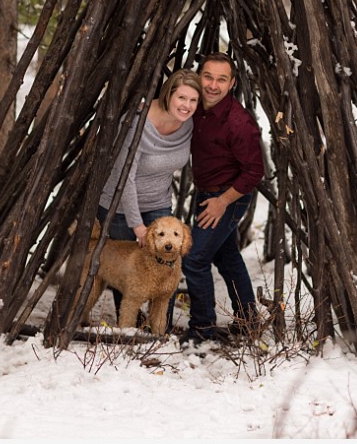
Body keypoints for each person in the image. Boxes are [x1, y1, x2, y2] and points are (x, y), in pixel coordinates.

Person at [97, 69, 203, 329]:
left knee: (166, 266)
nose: (187, 106)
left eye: (193, 101)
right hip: (121, 204)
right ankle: (128, 330)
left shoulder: (187, 124)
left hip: (159, 203)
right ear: (168, 94)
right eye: (182, 98)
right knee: (128, 271)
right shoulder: (137, 122)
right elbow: (126, 179)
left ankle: (157, 332)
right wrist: (137, 226)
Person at [181, 53, 264, 344]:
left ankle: (202, 329)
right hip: (207, 193)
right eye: (208, 77)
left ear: (232, 83)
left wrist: (222, 202)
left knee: (194, 259)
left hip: (228, 196)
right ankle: (249, 320)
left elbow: (255, 172)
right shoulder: (195, 106)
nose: (213, 85)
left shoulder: (239, 123)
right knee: (226, 257)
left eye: (221, 79)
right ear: (199, 76)